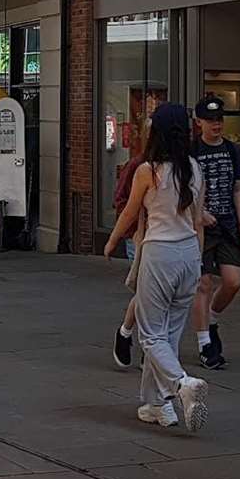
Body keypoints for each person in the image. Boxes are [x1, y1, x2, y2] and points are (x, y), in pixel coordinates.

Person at [103, 102, 209, 432]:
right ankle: (157, 404)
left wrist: (111, 241)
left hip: (159, 252)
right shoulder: (194, 167)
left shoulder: (148, 170)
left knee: (150, 334)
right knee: (169, 335)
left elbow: (130, 212)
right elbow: (198, 220)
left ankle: (181, 385)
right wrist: (198, 257)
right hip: (189, 253)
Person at [192, 96, 240, 371]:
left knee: (233, 281)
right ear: (199, 122)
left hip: (227, 223)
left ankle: (212, 317)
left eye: (219, 120)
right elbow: (187, 190)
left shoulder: (232, 150)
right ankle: (205, 343)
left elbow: (237, 189)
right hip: (202, 226)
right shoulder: (192, 151)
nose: (216, 125)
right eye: (210, 120)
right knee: (203, 284)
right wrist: (199, 214)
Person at [111, 133, 148, 370]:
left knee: (151, 297)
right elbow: (123, 201)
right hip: (142, 239)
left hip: (170, 244)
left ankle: (128, 334)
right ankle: (142, 344)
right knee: (148, 295)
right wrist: (128, 232)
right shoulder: (139, 165)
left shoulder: (184, 166)